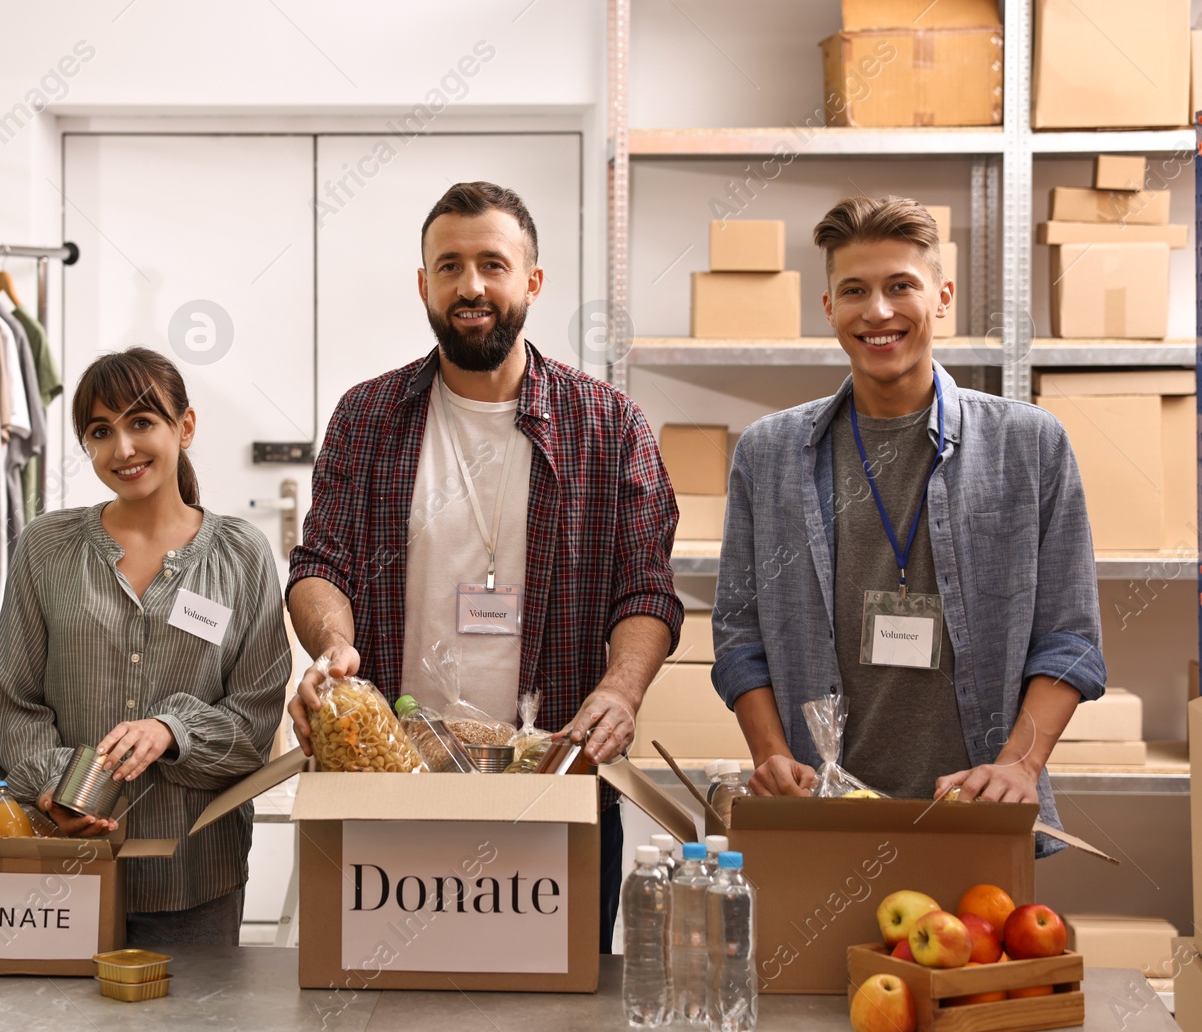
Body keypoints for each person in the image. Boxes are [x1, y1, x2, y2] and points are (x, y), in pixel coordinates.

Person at [286, 181, 682, 949]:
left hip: (556, 783)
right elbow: (320, 561)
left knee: (555, 1021)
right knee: (387, 1008)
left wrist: (622, 687)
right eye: (450, 266)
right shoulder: (366, 415)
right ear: (424, 284)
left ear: (531, 280)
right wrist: (334, 646)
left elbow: (646, 584)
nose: (471, 286)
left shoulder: (607, 423)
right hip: (392, 786)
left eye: (493, 264)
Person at [712, 196, 1105, 854]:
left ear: (942, 296)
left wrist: (1020, 765)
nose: (879, 311)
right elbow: (739, 633)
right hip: (820, 816)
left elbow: (1070, 638)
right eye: (855, 290)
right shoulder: (769, 453)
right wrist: (772, 754)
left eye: (901, 286)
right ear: (828, 307)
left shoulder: (1029, 445)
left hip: (975, 808)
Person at [0, 347, 290, 947]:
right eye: (101, 431)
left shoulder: (242, 555)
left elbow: (255, 721)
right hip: (65, 871)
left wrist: (172, 731)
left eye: (141, 422)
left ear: (186, 427)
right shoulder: (47, 547)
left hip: (194, 872)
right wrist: (55, 790)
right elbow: (11, 699)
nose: (122, 448)